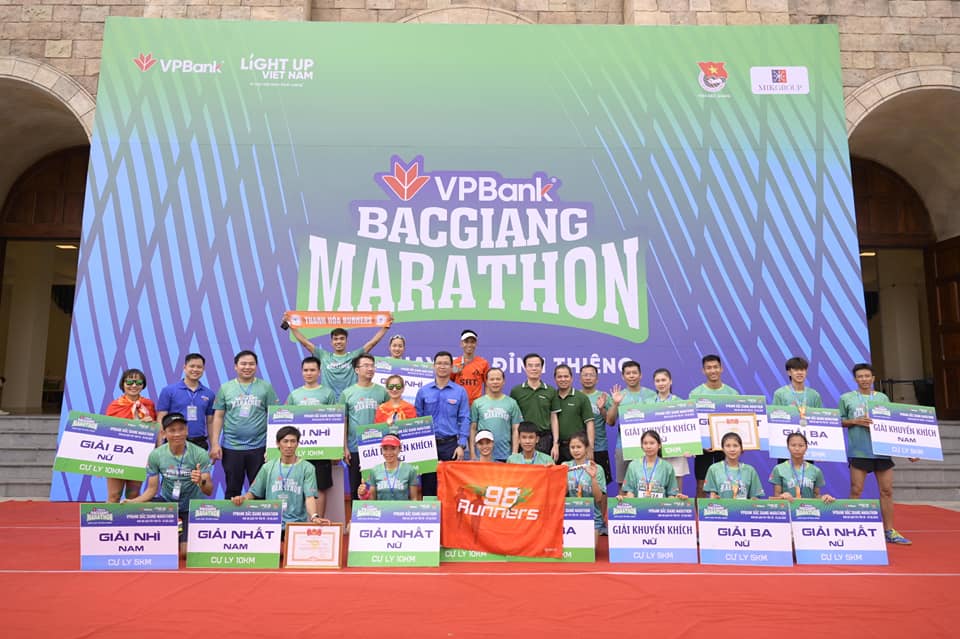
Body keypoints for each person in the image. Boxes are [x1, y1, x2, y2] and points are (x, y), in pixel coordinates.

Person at [840, 362, 914, 545]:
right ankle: (852, 529)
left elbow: (893, 425)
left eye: (867, 376)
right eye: (860, 376)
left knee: (887, 491)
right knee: (856, 490)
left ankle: (889, 531)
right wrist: (855, 421)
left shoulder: (882, 398)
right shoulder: (846, 398)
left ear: (873, 378)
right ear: (855, 379)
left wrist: (909, 450)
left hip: (882, 452)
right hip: (859, 450)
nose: (864, 379)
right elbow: (839, 421)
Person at [128, 413, 213, 557]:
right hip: (167, 504)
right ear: (164, 433)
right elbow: (151, 490)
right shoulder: (156, 455)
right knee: (137, 510)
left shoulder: (200, 454)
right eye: (172, 430)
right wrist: (132, 502)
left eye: (181, 429)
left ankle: (179, 533)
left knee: (185, 553)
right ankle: (172, 532)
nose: (177, 434)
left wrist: (201, 481)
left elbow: (209, 490)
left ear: (187, 431)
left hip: (190, 507)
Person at [208, 351, 279, 499]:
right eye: (243, 364)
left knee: (260, 492)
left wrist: (272, 447)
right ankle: (231, 515)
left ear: (256, 366)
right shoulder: (225, 388)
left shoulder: (266, 387)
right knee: (232, 490)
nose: (247, 367)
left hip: (259, 447)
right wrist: (215, 444)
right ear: (235, 366)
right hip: (232, 447)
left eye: (251, 364)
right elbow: (218, 416)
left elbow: (274, 416)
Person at [231, 426, 327, 529]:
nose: (289, 445)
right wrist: (243, 498)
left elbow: (309, 497)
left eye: (293, 441)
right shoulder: (267, 467)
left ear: (297, 444)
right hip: (272, 524)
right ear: (277, 443)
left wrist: (314, 516)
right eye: (285, 441)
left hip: (296, 524)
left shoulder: (308, 468)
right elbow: (253, 493)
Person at [284, 314, 392, 400]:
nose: (338, 341)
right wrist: (291, 326)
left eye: (341, 338)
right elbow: (305, 343)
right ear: (331, 342)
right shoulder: (323, 355)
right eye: (335, 339)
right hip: (329, 402)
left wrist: (385, 327)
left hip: (349, 400)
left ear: (346, 341)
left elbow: (372, 343)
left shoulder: (354, 356)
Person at [285, 356, 336, 519]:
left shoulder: (328, 394)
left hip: (322, 451)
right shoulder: (294, 395)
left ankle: (318, 522)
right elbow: (285, 422)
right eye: (306, 370)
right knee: (297, 486)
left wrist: (336, 451)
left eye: (312, 370)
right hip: (299, 451)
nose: (309, 373)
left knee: (320, 487)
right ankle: (297, 523)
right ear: (301, 372)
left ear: (319, 372)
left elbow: (336, 422)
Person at [415, 351, 470, 496]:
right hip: (428, 445)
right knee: (428, 487)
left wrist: (461, 445)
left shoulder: (460, 392)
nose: (442, 366)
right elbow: (417, 418)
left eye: (446, 363)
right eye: (439, 363)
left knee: (452, 488)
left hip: (451, 445)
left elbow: (464, 418)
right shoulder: (423, 391)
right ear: (433, 366)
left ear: (451, 367)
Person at [688, 354, 740, 498]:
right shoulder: (695, 394)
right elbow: (692, 423)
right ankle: (700, 513)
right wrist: (699, 444)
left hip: (726, 447)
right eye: (709, 368)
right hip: (703, 447)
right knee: (701, 485)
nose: (713, 370)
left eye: (715, 367)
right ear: (703, 371)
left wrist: (736, 444)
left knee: (726, 484)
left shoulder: (732, 394)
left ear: (721, 369)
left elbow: (737, 422)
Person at [104, 368, 157, 502]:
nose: (134, 385)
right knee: (114, 495)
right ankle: (110, 517)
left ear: (143, 385)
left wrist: (151, 424)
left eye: (138, 382)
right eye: (129, 382)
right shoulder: (114, 406)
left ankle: (130, 517)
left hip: (139, 456)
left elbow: (155, 431)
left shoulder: (149, 404)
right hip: (117, 455)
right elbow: (106, 432)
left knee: (133, 495)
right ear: (122, 384)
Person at [342, 353, 389, 500]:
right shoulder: (347, 393)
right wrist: (345, 447)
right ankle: (356, 515)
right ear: (357, 370)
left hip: (379, 447)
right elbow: (344, 421)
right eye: (366, 366)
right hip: (355, 447)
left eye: (372, 366)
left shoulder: (382, 392)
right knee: (356, 488)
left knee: (380, 487)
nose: (370, 369)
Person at [605, 360, 656, 487]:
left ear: (640, 375)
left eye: (634, 373)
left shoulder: (652, 394)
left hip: (648, 446)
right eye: (628, 373)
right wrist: (616, 404)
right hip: (623, 446)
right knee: (623, 485)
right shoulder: (619, 395)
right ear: (623, 376)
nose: (631, 376)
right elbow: (610, 422)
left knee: (648, 485)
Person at [771, 356, 824, 464]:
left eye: (803, 369)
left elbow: (820, 421)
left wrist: (821, 449)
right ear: (789, 372)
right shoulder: (780, 394)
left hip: (808, 446)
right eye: (796, 370)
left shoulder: (814, 395)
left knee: (807, 473)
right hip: (786, 446)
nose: (800, 373)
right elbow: (774, 421)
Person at [156, 353, 215, 449]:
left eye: (199, 367)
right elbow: (160, 419)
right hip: (174, 442)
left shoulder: (209, 394)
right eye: (192, 366)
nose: (195, 369)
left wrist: (214, 446)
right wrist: (159, 445)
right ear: (185, 367)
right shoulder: (169, 391)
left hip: (199, 443)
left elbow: (210, 422)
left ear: (203, 369)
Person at [509, 353, 558, 460]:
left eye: (537, 365)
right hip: (523, 438)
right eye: (530, 365)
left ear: (542, 368)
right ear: (525, 368)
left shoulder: (551, 391)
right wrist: (515, 448)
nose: (534, 368)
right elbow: (514, 420)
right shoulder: (516, 391)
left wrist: (555, 443)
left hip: (544, 439)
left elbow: (553, 417)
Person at [646, 368, 690, 484]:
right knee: (655, 487)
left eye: (663, 380)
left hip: (676, 452)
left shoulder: (681, 403)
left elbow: (687, 429)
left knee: (676, 490)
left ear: (670, 381)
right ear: (654, 383)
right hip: (654, 453)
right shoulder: (646, 404)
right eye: (657, 381)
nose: (661, 383)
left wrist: (689, 447)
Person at [470, 368, 521, 462]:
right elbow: (473, 428)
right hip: (482, 456)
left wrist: (514, 453)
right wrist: (472, 453)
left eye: (498, 379)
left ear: (503, 381)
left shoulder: (512, 403)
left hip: (505, 454)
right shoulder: (477, 403)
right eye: (492, 379)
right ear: (486, 382)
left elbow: (515, 429)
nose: (495, 382)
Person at [769, 432, 835, 502]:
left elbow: (816, 495)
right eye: (793, 445)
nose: (797, 449)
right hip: (789, 508)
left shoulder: (816, 470)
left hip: (809, 508)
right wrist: (782, 496)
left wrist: (824, 497)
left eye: (801, 445)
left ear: (806, 447)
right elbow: (776, 496)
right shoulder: (778, 469)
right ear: (788, 447)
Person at [620, 430, 685, 499]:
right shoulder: (633, 466)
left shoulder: (667, 467)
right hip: (639, 505)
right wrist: (625, 499)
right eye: (645, 443)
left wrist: (678, 499)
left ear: (659, 445)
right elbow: (629, 491)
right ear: (641, 446)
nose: (648, 446)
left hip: (661, 505)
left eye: (652, 443)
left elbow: (671, 493)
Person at [563, 431, 607, 536]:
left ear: (586, 448)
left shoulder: (597, 468)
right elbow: (562, 494)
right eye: (572, 447)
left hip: (592, 516)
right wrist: (563, 475)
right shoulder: (565, 466)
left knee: (590, 547)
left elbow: (599, 499)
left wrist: (593, 478)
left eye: (579, 447)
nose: (575, 450)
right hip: (571, 514)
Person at [357, 434, 421, 500]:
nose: (389, 452)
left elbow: (414, 498)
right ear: (381, 450)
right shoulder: (375, 471)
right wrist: (363, 494)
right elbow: (372, 499)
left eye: (393, 448)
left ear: (399, 449)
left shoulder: (410, 470)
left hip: (403, 507)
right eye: (385, 449)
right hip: (381, 507)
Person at [553, 364, 594, 463]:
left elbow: (589, 423)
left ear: (571, 378)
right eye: (559, 377)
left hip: (577, 447)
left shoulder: (581, 397)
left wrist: (590, 447)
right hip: (556, 447)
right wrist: (555, 444)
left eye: (566, 376)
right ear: (555, 379)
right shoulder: (551, 397)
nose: (563, 379)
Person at [703, 432, 764, 500]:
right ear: (723, 449)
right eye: (728, 446)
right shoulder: (714, 469)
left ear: (741, 448)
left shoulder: (750, 470)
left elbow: (755, 498)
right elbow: (712, 496)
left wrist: (754, 500)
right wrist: (714, 498)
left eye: (735, 445)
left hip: (743, 507)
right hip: (721, 507)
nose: (732, 449)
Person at [579, 364, 612, 484]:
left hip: (599, 447)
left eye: (591, 375)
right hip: (578, 447)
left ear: (597, 379)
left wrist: (602, 409)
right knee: (578, 483)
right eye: (585, 375)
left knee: (600, 483)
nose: (588, 378)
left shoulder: (604, 396)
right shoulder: (575, 396)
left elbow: (610, 422)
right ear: (580, 378)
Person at [451, 329, 489, 406]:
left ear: (476, 344)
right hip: (458, 404)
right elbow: (449, 383)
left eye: (472, 342)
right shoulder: (454, 363)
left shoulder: (483, 363)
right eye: (466, 342)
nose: (469, 345)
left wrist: (487, 403)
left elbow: (487, 384)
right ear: (461, 344)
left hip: (476, 405)